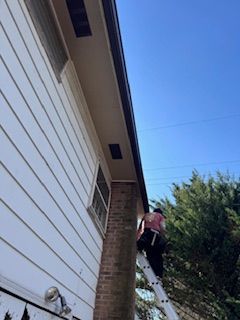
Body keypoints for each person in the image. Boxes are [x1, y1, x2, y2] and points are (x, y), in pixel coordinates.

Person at [137, 208, 166, 279]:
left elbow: (141, 227)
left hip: (146, 234)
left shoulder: (147, 215)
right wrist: (163, 238)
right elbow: (162, 228)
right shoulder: (160, 216)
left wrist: (137, 238)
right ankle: (157, 274)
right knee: (156, 255)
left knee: (149, 253)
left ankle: (140, 246)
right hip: (154, 235)